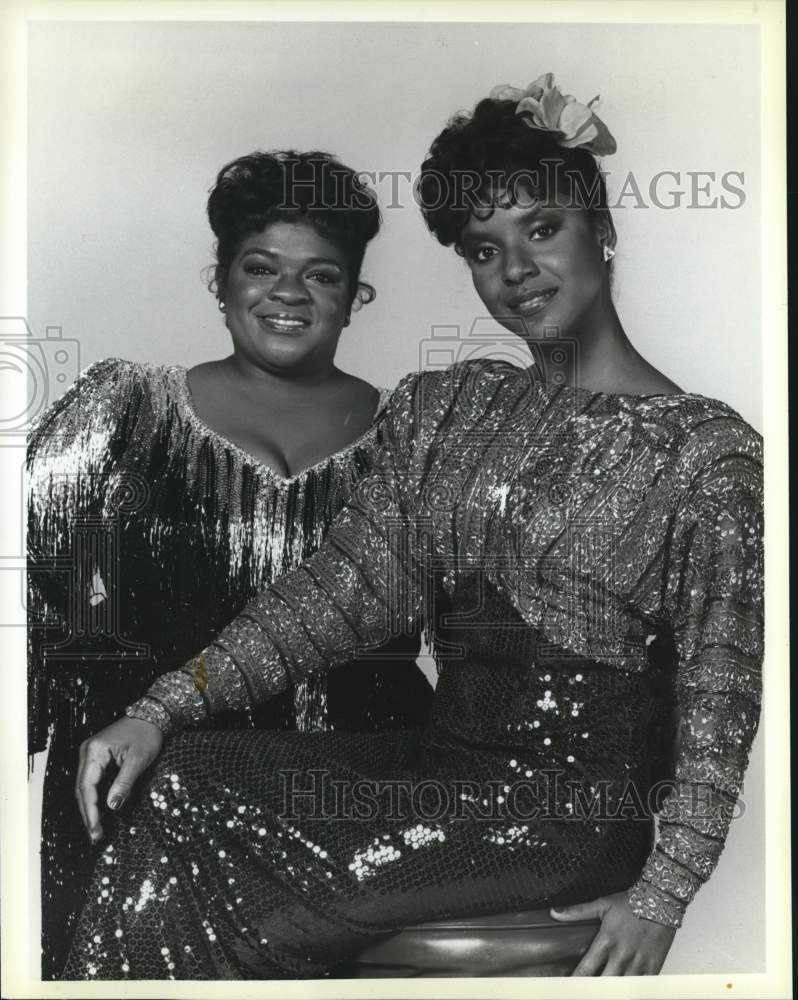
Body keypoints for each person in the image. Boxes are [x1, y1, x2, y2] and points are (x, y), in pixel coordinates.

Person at [64, 76, 763, 979]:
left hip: (566, 816)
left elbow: (721, 695)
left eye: (541, 230)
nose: (515, 272)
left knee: (239, 882)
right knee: (183, 781)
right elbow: (342, 592)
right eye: (483, 249)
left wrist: (663, 895)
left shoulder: (707, 454)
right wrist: (163, 707)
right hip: (437, 760)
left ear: (603, 230)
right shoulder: (449, 407)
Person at [27, 150, 432, 979]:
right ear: (218, 279)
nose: (288, 293)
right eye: (261, 267)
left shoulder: (416, 442)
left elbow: (485, 645)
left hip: (353, 814)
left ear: (357, 300)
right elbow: (26, 597)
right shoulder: (122, 412)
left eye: (321, 276)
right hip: (137, 803)